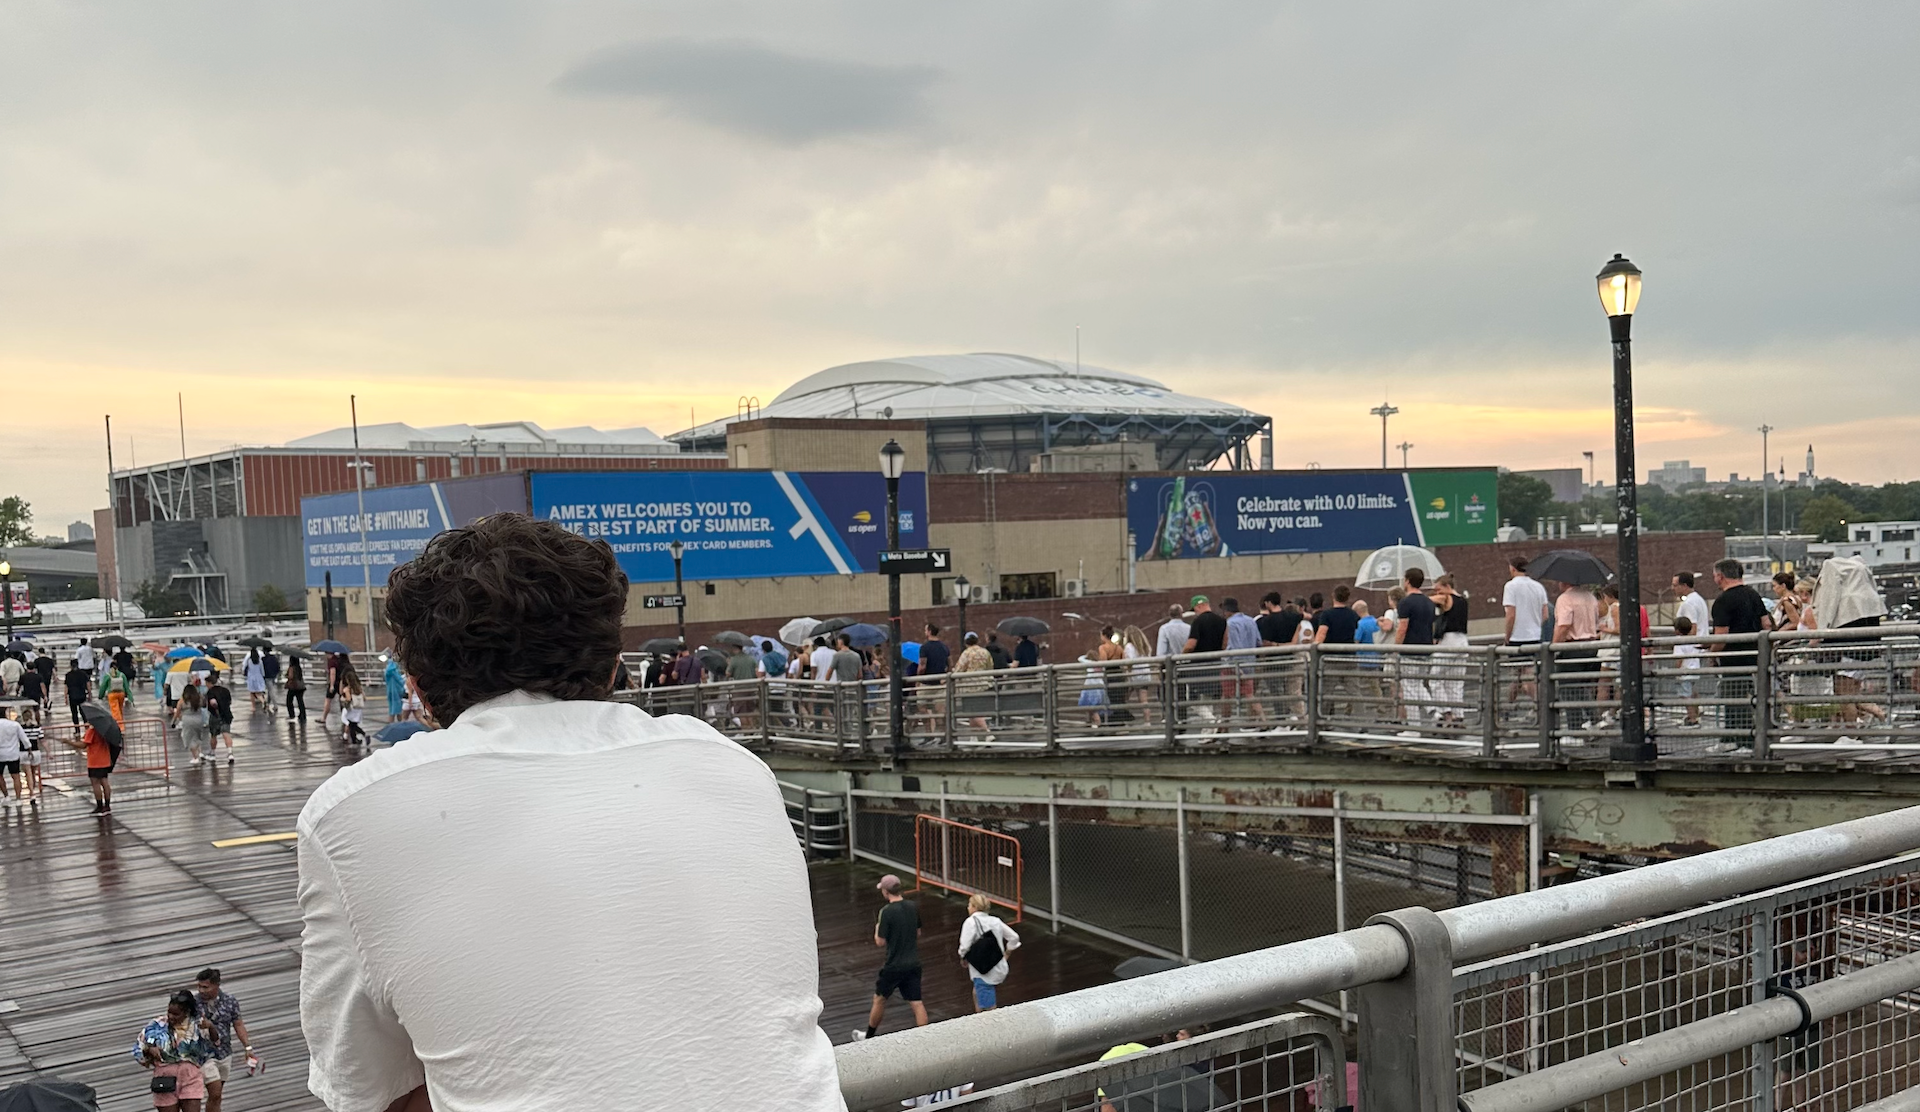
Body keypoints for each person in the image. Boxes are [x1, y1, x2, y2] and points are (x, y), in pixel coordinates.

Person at [295, 514, 842, 1111]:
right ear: (611, 669)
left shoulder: (350, 814)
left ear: (419, 690)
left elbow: (370, 1091)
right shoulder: (732, 765)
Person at [857, 874, 927, 1039]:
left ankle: (869, 1036)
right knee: (917, 1003)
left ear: (886, 891)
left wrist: (877, 929)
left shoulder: (886, 912)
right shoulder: (912, 906)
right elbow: (918, 932)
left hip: (894, 965)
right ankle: (926, 1038)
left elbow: (880, 942)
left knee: (879, 999)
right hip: (913, 963)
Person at [1710, 558, 1768, 743]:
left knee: (1733, 699)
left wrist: (1712, 653)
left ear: (1720, 576)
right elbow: (1766, 624)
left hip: (1733, 658)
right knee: (1752, 697)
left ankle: (1738, 740)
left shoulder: (1723, 600)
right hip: (1755, 655)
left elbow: (1722, 636)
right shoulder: (1754, 594)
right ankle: (1751, 738)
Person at [134, 989, 211, 1112]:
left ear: (186, 1012)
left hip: (190, 1075)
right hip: (165, 1077)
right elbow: (138, 1048)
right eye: (169, 1012)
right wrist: (149, 1049)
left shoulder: (198, 1025)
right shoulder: (156, 1025)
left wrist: (211, 1027)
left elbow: (214, 1043)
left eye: (176, 1014)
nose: (170, 1017)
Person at [193, 968, 258, 1112]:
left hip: (224, 1052)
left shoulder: (230, 1001)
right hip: (202, 1054)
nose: (201, 990)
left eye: (205, 987)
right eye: (199, 986)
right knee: (215, 1092)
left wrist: (247, 1047)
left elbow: (238, 1024)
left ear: (216, 985)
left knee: (216, 1096)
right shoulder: (193, 1003)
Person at [957, 892, 1021, 1012]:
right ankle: (978, 1018)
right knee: (977, 992)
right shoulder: (995, 921)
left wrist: (962, 957)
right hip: (998, 965)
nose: (968, 907)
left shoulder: (970, 922)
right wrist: (1006, 954)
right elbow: (1014, 937)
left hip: (982, 969)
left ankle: (987, 1025)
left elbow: (964, 946)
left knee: (988, 1005)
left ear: (975, 907)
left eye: (970, 905)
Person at [1551, 580, 1602, 731]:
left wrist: (1553, 647)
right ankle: (1594, 719)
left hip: (1572, 647)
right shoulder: (1590, 597)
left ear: (1565, 581)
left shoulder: (1565, 599)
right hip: (1591, 646)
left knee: (1569, 689)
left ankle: (1575, 729)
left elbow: (1564, 625)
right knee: (1583, 687)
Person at [1394, 570, 1439, 726]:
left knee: (1409, 688)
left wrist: (1395, 647)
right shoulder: (1428, 602)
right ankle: (1434, 712)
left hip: (1409, 650)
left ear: (1407, 581)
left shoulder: (1405, 603)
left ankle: (1414, 726)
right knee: (1418, 684)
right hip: (1426, 649)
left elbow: (1402, 628)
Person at [1432, 575, 1471, 728]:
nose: (1437, 593)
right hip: (1463, 641)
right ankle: (1458, 715)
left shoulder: (1447, 598)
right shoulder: (1462, 600)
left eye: (1438, 589)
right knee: (1455, 681)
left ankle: (1446, 712)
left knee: (1435, 678)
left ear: (1447, 587)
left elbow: (1429, 601)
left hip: (1449, 641)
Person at [65, 710, 116, 813]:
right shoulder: (105, 732)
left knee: (95, 783)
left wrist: (69, 742)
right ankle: (107, 805)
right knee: (105, 782)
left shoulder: (92, 731)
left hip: (95, 760)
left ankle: (99, 806)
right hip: (105, 759)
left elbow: (84, 745)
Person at [1221, 598, 1260, 720]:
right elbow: (1258, 642)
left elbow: (1234, 646)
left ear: (1227, 610)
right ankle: (1263, 720)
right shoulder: (1251, 621)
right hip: (1250, 662)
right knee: (1249, 694)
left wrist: (1236, 665)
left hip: (1234, 664)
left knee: (1226, 695)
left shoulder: (1230, 623)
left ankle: (1224, 724)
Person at [955, 632, 994, 737]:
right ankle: (974, 736)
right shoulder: (985, 652)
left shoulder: (966, 653)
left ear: (966, 642)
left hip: (969, 686)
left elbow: (959, 669)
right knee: (972, 711)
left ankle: (988, 733)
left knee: (973, 712)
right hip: (984, 685)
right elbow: (990, 666)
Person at [1672, 616, 1705, 727]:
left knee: (1686, 697)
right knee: (1694, 694)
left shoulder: (1679, 642)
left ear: (1676, 630)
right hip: (1695, 670)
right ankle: (1696, 713)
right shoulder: (1694, 641)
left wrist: (1676, 671)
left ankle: (1692, 718)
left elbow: (1679, 659)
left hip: (1685, 672)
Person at [176, 685, 213, 766]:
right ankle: (200, 753)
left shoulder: (182, 701)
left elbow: (178, 711)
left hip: (187, 720)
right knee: (197, 736)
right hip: (198, 719)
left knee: (188, 738)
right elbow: (204, 705)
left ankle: (195, 757)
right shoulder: (198, 698)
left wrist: (176, 720)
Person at [1673, 572, 1712, 642]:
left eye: (1675, 585)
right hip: (1701, 644)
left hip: (1690, 649)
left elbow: (1693, 630)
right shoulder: (1699, 599)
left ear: (1684, 586)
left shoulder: (1688, 603)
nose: (1672, 588)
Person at [206, 675, 237, 763]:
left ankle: (212, 753)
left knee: (213, 735)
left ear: (210, 683)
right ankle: (230, 753)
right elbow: (229, 702)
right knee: (226, 734)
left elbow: (213, 702)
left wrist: (215, 707)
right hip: (226, 714)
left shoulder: (210, 692)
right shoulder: (225, 690)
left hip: (215, 715)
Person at [17, 705, 45, 802]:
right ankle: (33, 787)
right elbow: (42, 740)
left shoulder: (20, 728)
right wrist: (48, 752)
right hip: (35, 751)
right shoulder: (37, 727)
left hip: (24, 752)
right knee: (33, 773)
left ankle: (32, 793)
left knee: (28, 773)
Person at [0, 708, 26, 808]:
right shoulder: (14, 725)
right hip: (13, 753)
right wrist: (29, 749)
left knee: (0, 776)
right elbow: (23, 738)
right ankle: (18, 799)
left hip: (0, 754)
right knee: (16, 776)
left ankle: (6, 796)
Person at [339, 671, 368, 746]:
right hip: (358, 709)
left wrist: (343, 699)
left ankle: (360, 737)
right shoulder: (359, 687)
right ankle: (356, 739)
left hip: (352, 708)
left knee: (351, 725)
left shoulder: (348, 689)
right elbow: (364, 698)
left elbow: (348, 699)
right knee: (353, 725)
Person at [64, 660, 91, 725]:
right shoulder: (83, 673)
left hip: (72, 696)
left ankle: (77, 730)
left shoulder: (68, 675)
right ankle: (86, 728)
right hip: (82, 695)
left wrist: (65, 697)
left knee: (74, 713)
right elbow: (88, 684)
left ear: (71, 666)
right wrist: (90, 694)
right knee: (83, 712)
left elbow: (66, 687)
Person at [245, 649, 271, 713]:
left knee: (252, 693)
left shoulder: (249, 661)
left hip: (251, 678)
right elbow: (262, 670)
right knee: (259, 693)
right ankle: (263, 701)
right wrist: (263, 676)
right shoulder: (260, 661)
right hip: (259, 677)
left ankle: (253, 707)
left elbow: (247, 669)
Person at [285, 656, 309, 721]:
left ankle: (291, 714)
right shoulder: (298, 667)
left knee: (289, 701)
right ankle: (302, 715)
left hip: (293, 687)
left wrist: (286, 675)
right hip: (301, 686)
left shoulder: (291, 668)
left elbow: (290, 676)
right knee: (300, 701)